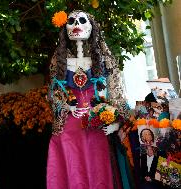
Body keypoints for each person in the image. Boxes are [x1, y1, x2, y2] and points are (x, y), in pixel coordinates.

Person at [47, 10, 130, 189]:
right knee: (73, 170)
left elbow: (116, 91)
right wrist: (67, 107)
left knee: (99, 170)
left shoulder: (103, 58)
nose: (76, 25)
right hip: (69, 129)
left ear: (92, 27)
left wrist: (115, 123)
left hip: (99, 127)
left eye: (82, 20)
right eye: (71, 21)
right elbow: (54, 93)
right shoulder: (59, 60)